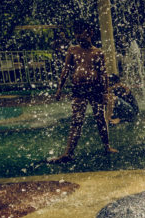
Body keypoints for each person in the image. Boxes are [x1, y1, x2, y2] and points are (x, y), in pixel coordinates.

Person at [51, 20, 117, 163]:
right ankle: (68, 153)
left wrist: (105, 92)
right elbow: (66, 70)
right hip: (79, 89)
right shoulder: (73, 50)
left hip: (95, 89)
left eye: (81, 33)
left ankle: (107, 146)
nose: (78, 36)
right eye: (76, 33)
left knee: (100, 119)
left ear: (90, 33)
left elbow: (104, 74)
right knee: (76, 120)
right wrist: (59, 89)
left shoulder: (98, 53)